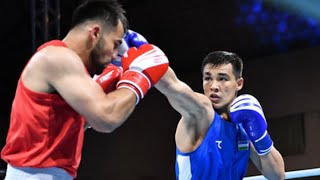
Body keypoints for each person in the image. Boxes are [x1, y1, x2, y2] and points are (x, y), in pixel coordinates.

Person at [0, 1, 168, 180]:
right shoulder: (58, 57)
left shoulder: (68, 67)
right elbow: (107, 118)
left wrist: (109, 88)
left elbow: (85, 123)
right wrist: (139, 75)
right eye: (115, 44)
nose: (114, 55)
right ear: (95, 33)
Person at [155, 51, 285, 179]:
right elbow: (173, 87)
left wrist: (260, 136)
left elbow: (277, 176)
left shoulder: (243, 125)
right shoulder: (201, 112)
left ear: (239, 84)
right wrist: (149, 57)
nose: (214, 86)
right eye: (208, 78)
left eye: (222, 78)